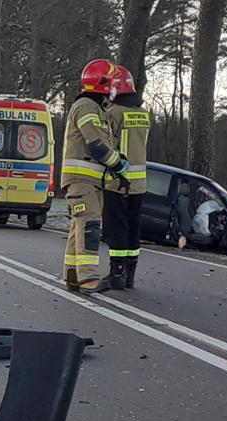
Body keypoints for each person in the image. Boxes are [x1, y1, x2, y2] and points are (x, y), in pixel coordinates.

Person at [59, 58, 130, 293]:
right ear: (102, 84)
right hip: (83, 180)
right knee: (89, 226)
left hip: (89, 181)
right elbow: (96, 144)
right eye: (111, 84)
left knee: (78, 227)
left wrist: (117, 161)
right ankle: (88, 279)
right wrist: (118, 164)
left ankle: (72, 275)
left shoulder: (96, 108)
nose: (114, 89)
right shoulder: (87, 107)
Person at [102, 69, 152, 289]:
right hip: (139, 183)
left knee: (117, 227)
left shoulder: (113, 113)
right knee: (134, 226)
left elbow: (107, 145)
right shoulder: (144, 114)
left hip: (118, 180)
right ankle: (130, 273)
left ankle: (116, 272)